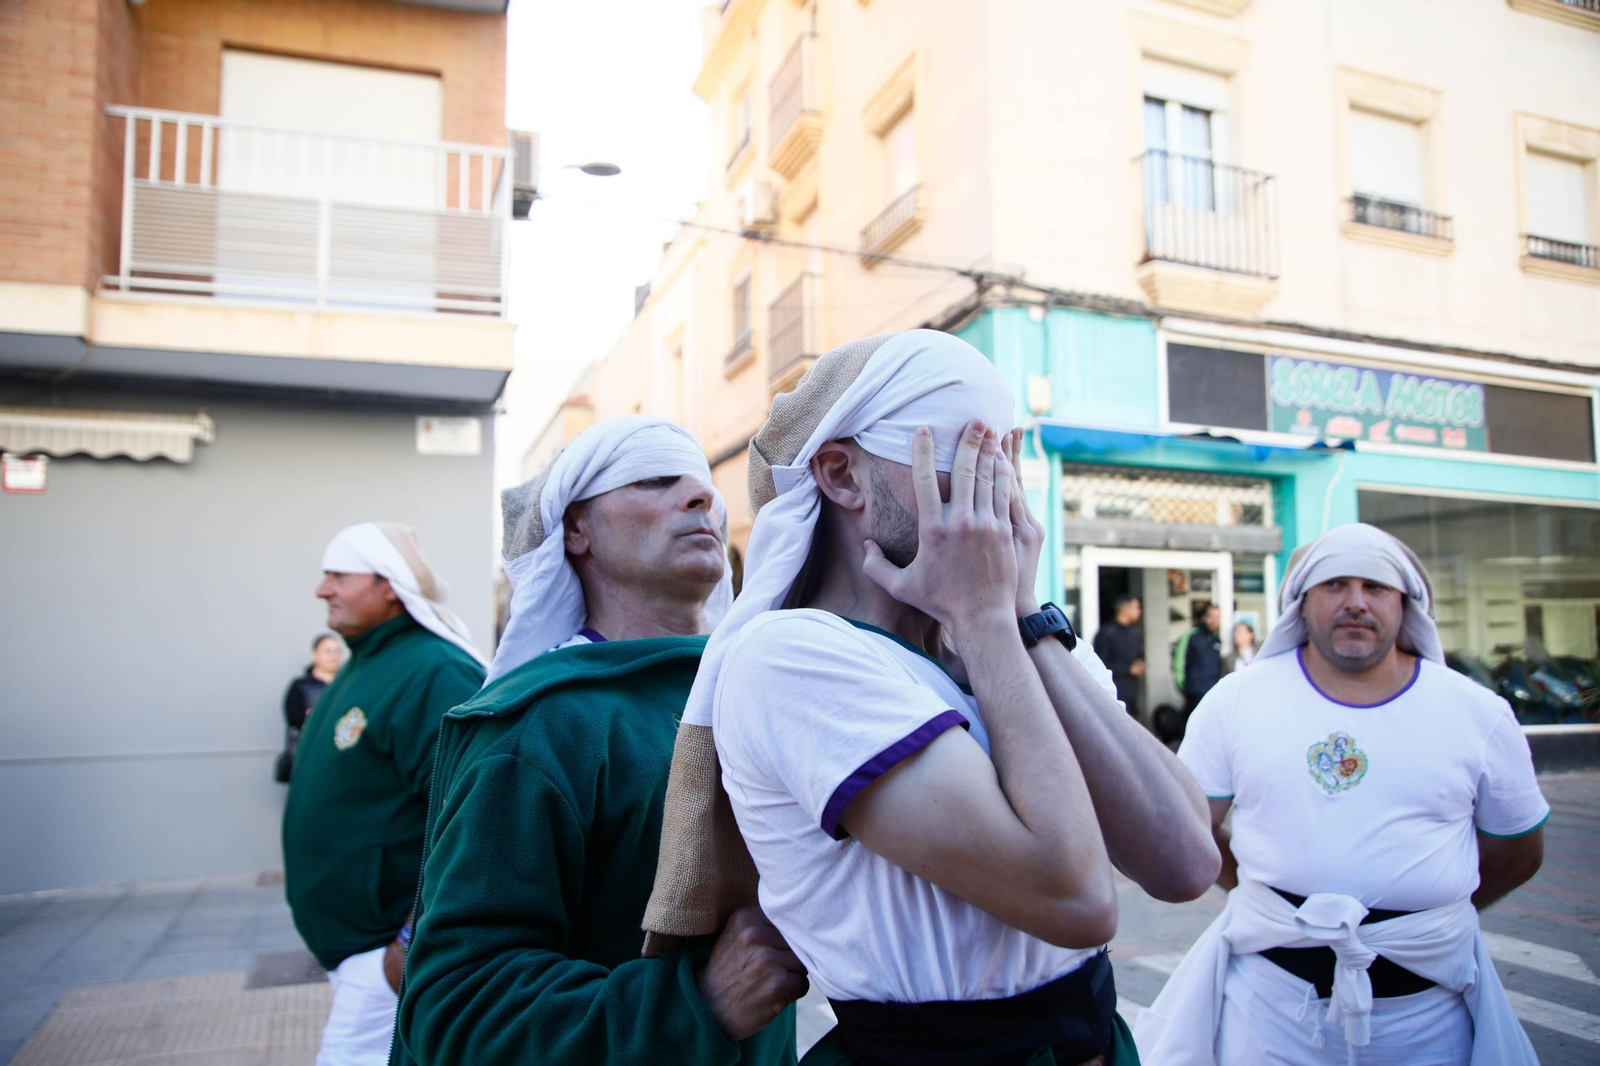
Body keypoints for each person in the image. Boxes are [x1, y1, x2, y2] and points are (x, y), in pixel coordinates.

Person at [646, 331, 1219, 1064]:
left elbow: (1184, 861)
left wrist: (1020, 623)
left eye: (1005, 462)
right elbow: (1075, 899)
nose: (998, 497)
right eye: (965, 462)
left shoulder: (1006, 636)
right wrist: (986, 623)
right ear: (842, 476)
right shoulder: (790, 659)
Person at [391, 416, 800, 1066]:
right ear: (576, 530)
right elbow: (456, 1009)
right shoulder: (539, 727)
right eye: (653, 481)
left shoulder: (753, 689)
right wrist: (695, 1002)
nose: (702, 499)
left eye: (702, 486)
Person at [1135, 523, 1548, 1066]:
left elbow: (1518, 851)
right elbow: (1193, 830)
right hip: (1270, 1013)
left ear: (1405, 605)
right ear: (1301, 604)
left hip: (1428, 1020)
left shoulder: (1477, 713)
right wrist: (1274, 894)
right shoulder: (1237, 700)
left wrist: (1422, 916)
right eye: (1334, 586)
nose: (1355, 602)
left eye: (1375, 588)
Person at [283, 523, 488, 1066]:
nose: (322, 589)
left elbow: (474, 823)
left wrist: (408, 942)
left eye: (338, 576)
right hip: (355, 953)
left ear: (389, 586)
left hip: (386, 960)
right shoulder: (366, 661)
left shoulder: (436, 672)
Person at [276, 633, 345, 784]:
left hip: (343, 757)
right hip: (310, 755)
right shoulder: (301, 686)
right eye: (327, 651)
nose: (333, 656)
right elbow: (294, 718)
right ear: (314, 655)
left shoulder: (348, 684)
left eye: (337, 651)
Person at [1094, 594, 1146, 717]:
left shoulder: (1134, 634)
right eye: (1136, 607)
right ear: (1125, 608)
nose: (1139, 611)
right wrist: (1127, 670)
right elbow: (1100, 664)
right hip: (1113, 693)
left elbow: (1139, 657)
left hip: (1132, 692)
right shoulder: (1107, 633)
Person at [1178, 601, 1223, 725]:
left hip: (1212, 692)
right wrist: (1185, 687)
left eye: (1218, 617)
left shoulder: (1217, 640)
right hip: (1194, 693)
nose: (1215, 620)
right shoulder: (1191, 636)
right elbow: (1178, 663)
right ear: (1204, 617)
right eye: (1211, 616)